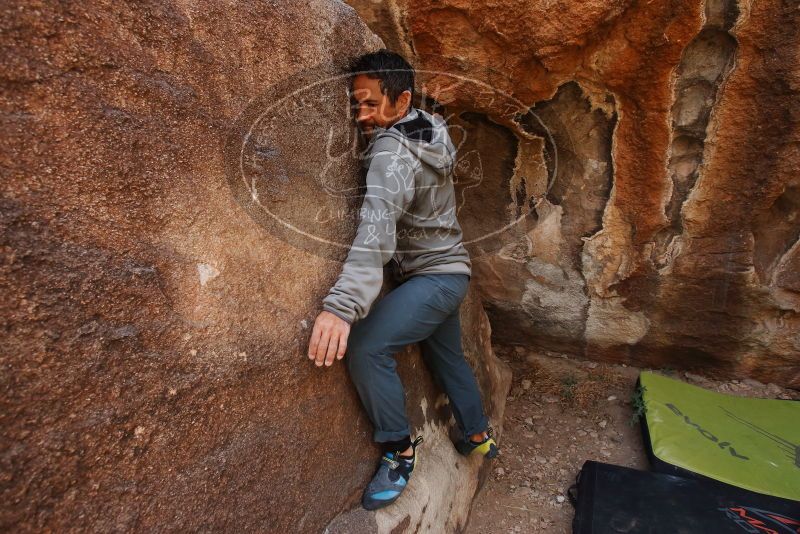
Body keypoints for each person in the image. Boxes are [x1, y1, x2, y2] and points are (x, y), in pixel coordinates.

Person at [307, 49, 497, 511]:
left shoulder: (391, 154)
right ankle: (475, 434)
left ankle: (399, 451)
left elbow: (376, 229)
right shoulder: (429, 126)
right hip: (451, 273)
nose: (361, 115)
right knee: (447, 356)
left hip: (433, 279)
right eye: (357, 103)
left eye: (371, 103)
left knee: (369, 347)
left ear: (403, 98)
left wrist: (341, 306)